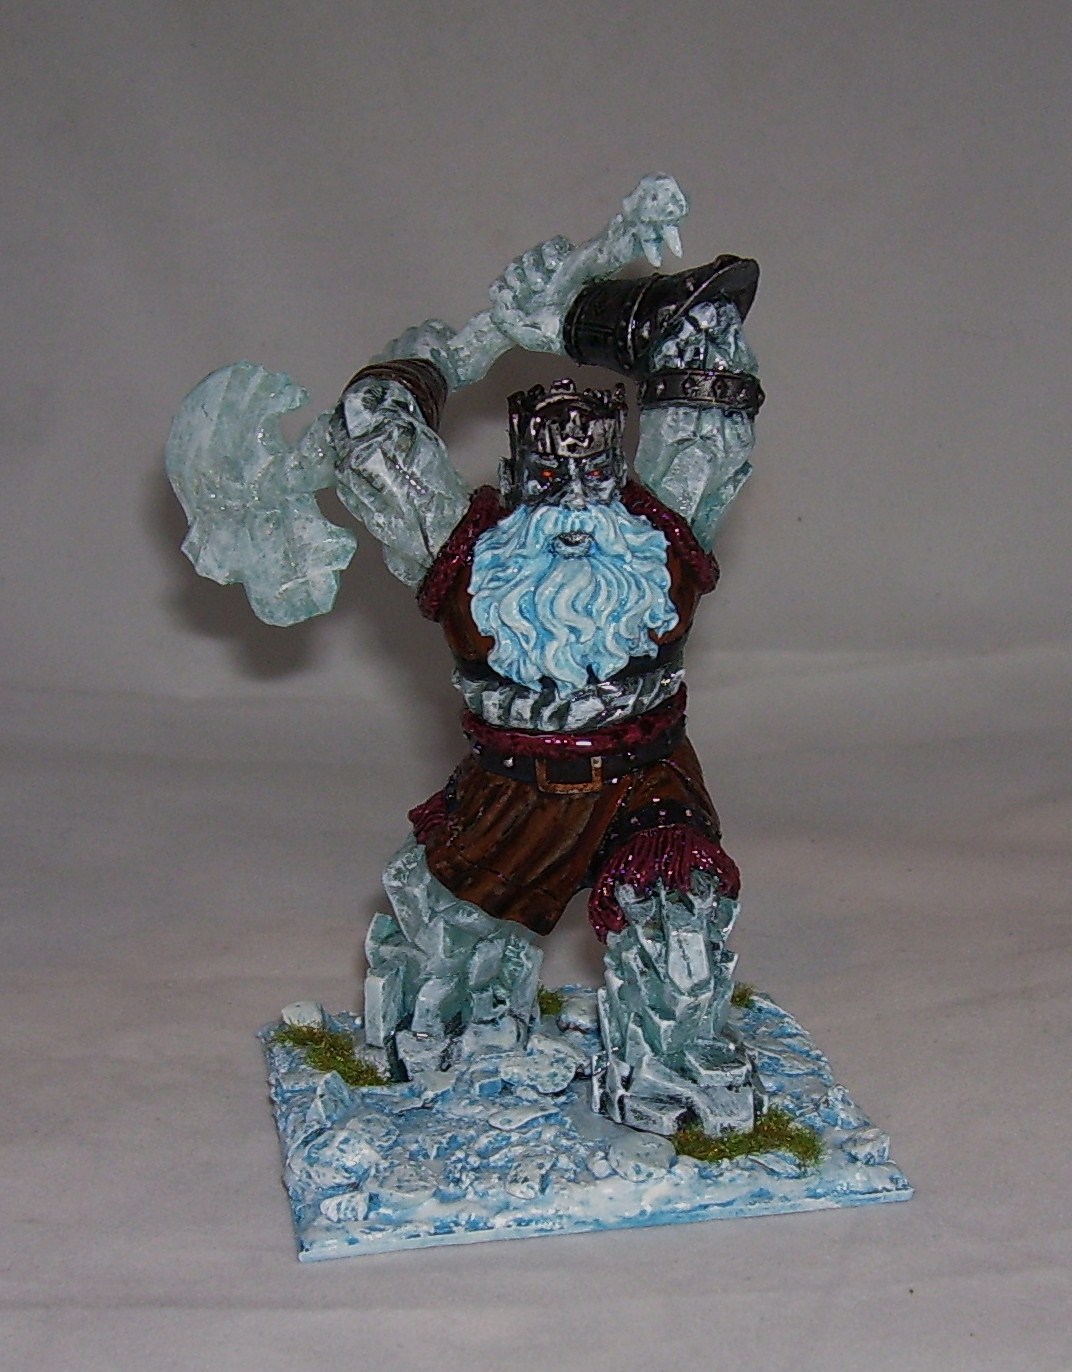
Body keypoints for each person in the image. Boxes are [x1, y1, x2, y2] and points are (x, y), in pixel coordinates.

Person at [330, 246, 768, 1136]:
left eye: (595, 478)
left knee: (680, 926)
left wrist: (587, 316)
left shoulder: (658, 534)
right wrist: (440, 359)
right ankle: (445, 1055)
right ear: (515, 478)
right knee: (449, 957)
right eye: (547, 480)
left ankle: (676, 1082)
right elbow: (373, 438)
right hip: (512, 793)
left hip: (648, 777)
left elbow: (710, 410)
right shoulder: (465, 549)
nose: (573, 503)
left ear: (620, 474)